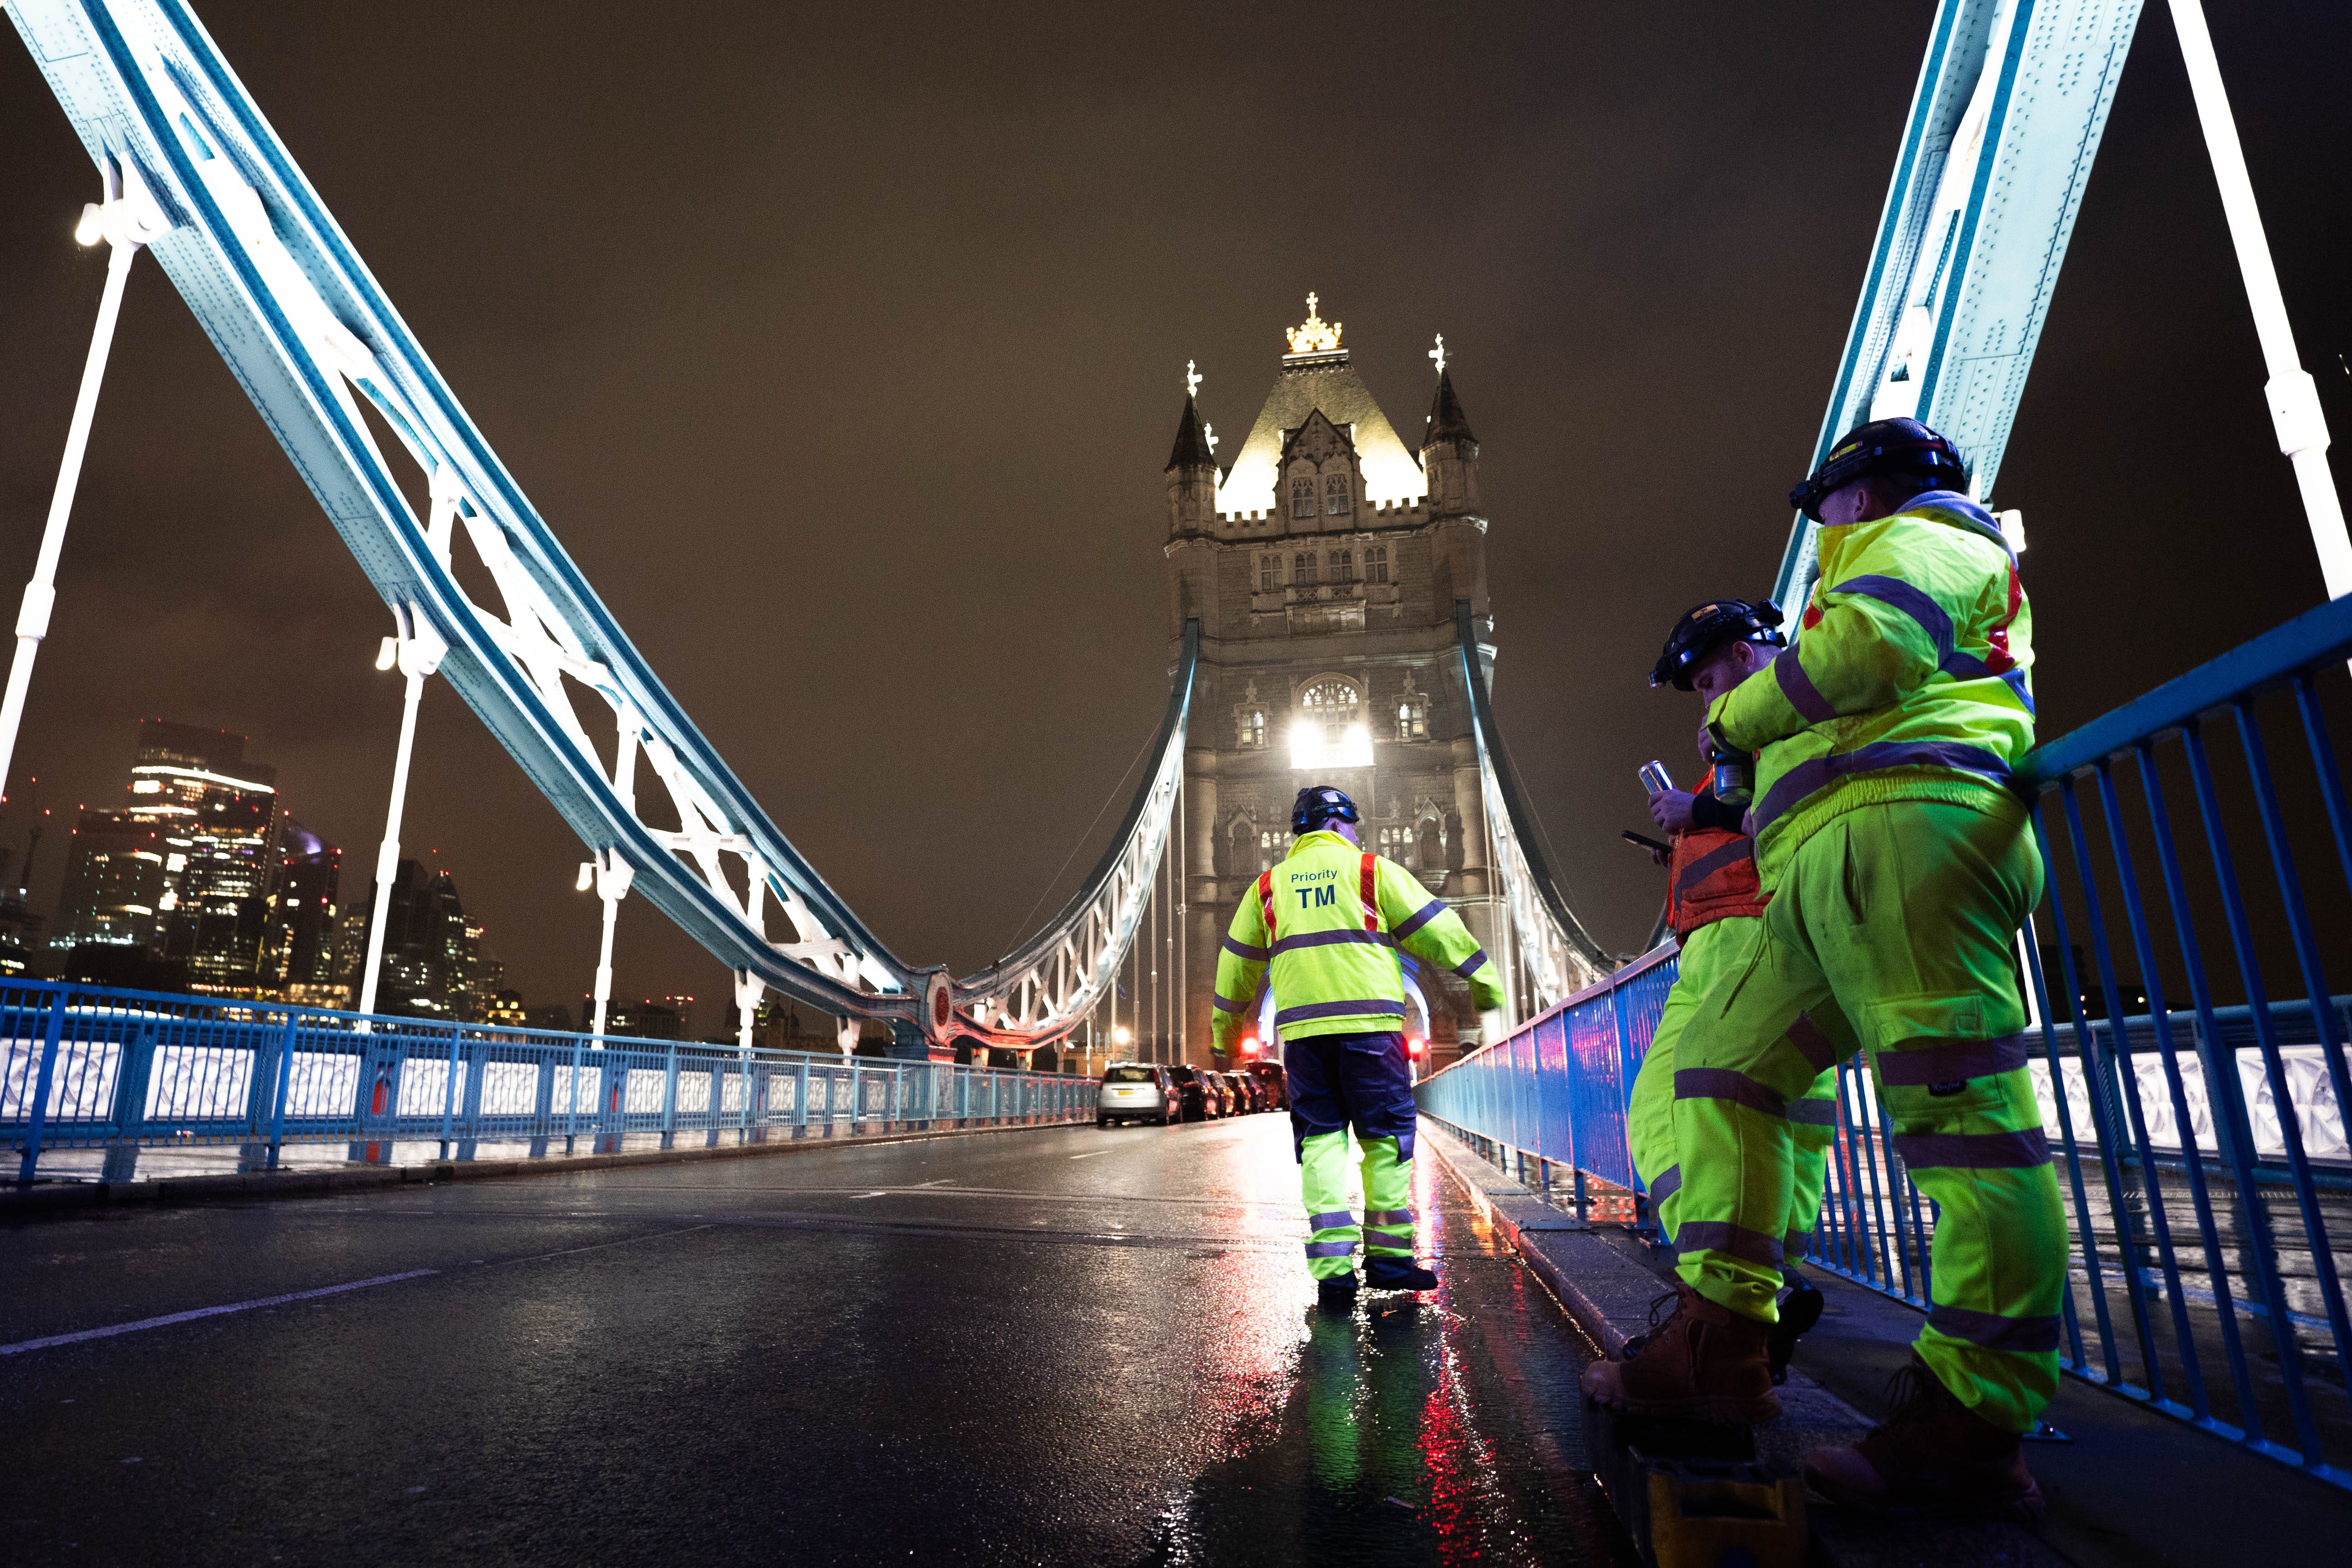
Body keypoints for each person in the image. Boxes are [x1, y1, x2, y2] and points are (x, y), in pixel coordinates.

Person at [1585, 417, 2059, 1523]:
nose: (1817, 530)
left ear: (1864, 492)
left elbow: (1863, 659)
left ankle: (1973, 1420)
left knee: (1967, 1133)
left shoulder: (1929, 540)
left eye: (1824, 507)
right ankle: (1720, 1348)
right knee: (1714, 1070)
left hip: (1909, 846)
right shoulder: (1866, 567)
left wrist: (1735, 724)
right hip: (1826, 875)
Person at [1609, 599, 1839, 1386]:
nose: (1707, 700)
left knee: (1669, 1105)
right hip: (1777, 925)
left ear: (1745, 654)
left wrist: (1695, 807)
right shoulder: (1797, 699)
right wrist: (1687, 837)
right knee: (1784, 1118)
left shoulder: (1772, 707)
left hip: (1743, 936)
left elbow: (1784, 797)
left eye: (1708, 679)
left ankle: (1721, 1305)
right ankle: (1766, 1292)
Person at [1212, 785, 1506, 1307]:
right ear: (1341, 823)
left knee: (1321, 1144)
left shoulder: (1267, 887)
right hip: (1371, 1031)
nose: (1356, 833)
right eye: (1353, 825)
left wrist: (1222, 1030)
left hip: (1303, 1040)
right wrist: (1482, 979)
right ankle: (1390, 1263)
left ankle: (1333, 1272)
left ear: (1300, 831)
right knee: (1386, 1140)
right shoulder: (1371, 871)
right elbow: (1436, 928)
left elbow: (1236, 963)